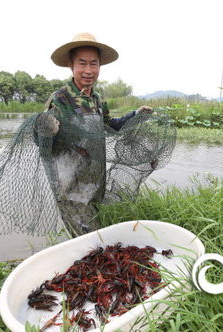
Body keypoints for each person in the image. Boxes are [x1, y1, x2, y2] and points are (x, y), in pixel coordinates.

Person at [42, 32, 153, 237]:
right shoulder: (60, 99)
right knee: (87, 240)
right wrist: (50, 131)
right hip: (70, 186)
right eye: (82, 63)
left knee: (93, 235)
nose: (88, 70)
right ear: (71, 65)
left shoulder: (97, 99)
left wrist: (136, 114)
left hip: (94, 182)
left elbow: (111, 126)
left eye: (94, 64)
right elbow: (44, 144)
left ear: (100, 67)